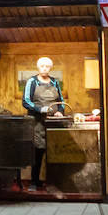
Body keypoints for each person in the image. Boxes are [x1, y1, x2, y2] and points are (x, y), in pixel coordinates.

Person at [22, 56, 64, 192]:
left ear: (50, 68)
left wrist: (60, 112)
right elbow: (26, 101)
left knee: (53, 152)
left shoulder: (55, 82)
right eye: (42, 66)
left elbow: (61, 100)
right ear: (38, 67)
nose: (44, 68)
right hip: (37, 122)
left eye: (47, 66)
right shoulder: (32, 82)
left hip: (53, 123)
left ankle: (53, 181)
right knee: (38, 151)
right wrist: (40, 109)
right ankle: (34, 181)